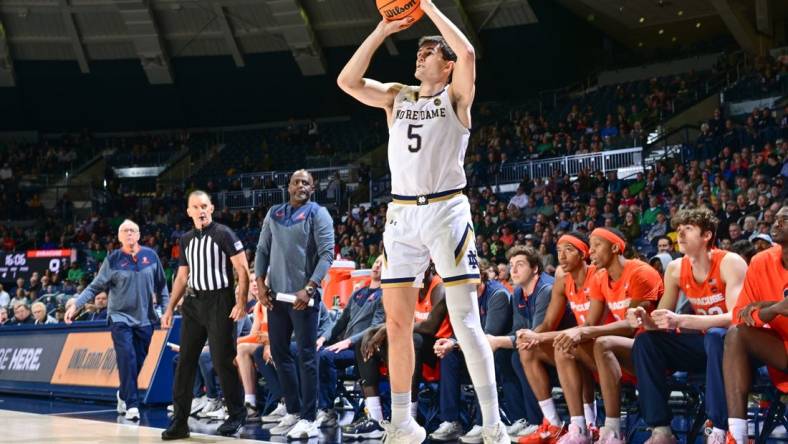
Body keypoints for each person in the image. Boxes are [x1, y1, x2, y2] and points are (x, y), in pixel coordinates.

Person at [337, 0, 507, 441]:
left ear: (446, 65)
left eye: (429, 51)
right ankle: (402, 422)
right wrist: (381, 30)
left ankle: (492, 424)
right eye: (420, 51)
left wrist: (427, 5)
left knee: (467, 320)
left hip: (447, 209)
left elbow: (468, 53)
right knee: (396, 322)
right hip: (401, 214)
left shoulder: (457, 97)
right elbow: (347, 81)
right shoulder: (398, 95)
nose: (420, 55)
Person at [629, 208, 747, 444]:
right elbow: (661, 323)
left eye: (688, 229)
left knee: (716, 335)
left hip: (736, 348)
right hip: (704, 346)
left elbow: (737, 317)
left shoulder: (730, 262)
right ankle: (661, 430)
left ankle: (719, 428)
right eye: (678, 229)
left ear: (706, 236)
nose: (680, 234)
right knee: (646, 341)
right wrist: (644, 318)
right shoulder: (674, 269)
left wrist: (682, 320)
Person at [541, 228, 663, 444]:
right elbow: (589, 323)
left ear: (615, 247)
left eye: (597, 245)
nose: (591, 251)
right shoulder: (600, 278)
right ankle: (579, 428)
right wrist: (577, 332)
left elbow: (631, 325)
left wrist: (585, 331)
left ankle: (613, 430)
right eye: (590, 245)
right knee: (565, 345)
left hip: (653, 351)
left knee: (602, 342)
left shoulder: (640, 272)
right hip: (618, 355)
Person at [160, 191, 250, 440]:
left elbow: (242, 269)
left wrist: (241, 302)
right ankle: (179, 422)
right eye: (195, 207)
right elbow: (181, 276)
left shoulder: (224, 234)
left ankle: (236, 414)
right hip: (193, 303)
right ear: (188, 211)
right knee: (185, 361)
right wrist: (169, 308)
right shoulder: (185, 239)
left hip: (220, 301)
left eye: (204, 206)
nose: (201, 211)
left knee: (223, 360)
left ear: (211, 208)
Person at [255, 169, 335, 440]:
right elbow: (262, 249)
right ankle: (292, 410)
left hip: (304, 298)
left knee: (306, 356)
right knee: (279, 354)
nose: (301, 186)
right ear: (289, 187)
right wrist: (260, 282)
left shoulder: (318, 213)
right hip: (276, 297)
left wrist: (310, 287)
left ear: (312, 189)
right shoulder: (274, 213)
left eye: (306, 183)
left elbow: (327, 255)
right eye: (297, 182)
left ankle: (309, 417)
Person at [66, 219, 169, 422]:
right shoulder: (113, 260)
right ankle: (132, 404)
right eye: (125, 231)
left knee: (138, 360)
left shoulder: (151, 256)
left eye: (133, 230)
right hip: (119, 317)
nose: (129, 233)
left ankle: (123, 392)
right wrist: (76, 304)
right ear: (120, 237)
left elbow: (162, 286)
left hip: (146, 319)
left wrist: (166, 311)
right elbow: (94, 287)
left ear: (139, 235)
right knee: (127, 357)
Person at [515, 233, 608, 441]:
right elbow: (548, 323)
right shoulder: (562, 280)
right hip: (583, 343)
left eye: (569, 250)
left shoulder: (598, 275)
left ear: (583, 253)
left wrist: (538, 337)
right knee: (527, 349)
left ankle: (588, 424)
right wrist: (532, 336)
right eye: (558, 251)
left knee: (567, 347)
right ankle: (553, 424)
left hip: (605, 344)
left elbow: (590, 326)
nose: (562, 256)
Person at [344, 265, 450, 441]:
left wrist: (386, 329)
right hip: (413, 340)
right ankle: (376, 420)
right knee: (365, 343)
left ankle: (410, 417)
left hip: (438, 348)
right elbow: (395, 320)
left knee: (411, 341)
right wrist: (375, 331)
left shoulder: (439, 288)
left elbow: (430, 327)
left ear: (429, 267)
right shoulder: (411, 288)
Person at [724, 206, 788, 444]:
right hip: (779, 350)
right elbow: (740, 315)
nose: (777, 223)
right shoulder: (761, 261)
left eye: (785, 219)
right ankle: (737, 435)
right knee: (735, 335)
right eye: (776, 218)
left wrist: (764, 306)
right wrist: (774, 309)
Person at [485, 245, 559, 441]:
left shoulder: (546, 289)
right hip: (536, 348)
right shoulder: (518, 292)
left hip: (558, 349)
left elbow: (536, 334)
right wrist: (501, 342)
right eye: (511, 265)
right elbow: (517, 330)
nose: (514, 270)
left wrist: (498, 340)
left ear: (535, 268)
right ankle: (521, 418)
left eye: (520, 265)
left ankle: (538, 420)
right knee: (503, 355)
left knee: (520, 355)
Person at [316, 255, 385, 428]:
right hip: (346, 345)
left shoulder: (385, 295)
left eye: (382, 264)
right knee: (314, 353)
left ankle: (327, 410)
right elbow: (340, 323)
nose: (377, 266)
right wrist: (323, 338)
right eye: (376, 262)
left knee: (326, 357)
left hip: (364, 348)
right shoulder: (358, 292)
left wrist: (348, 341)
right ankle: (305, 406)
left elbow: (376, 327)